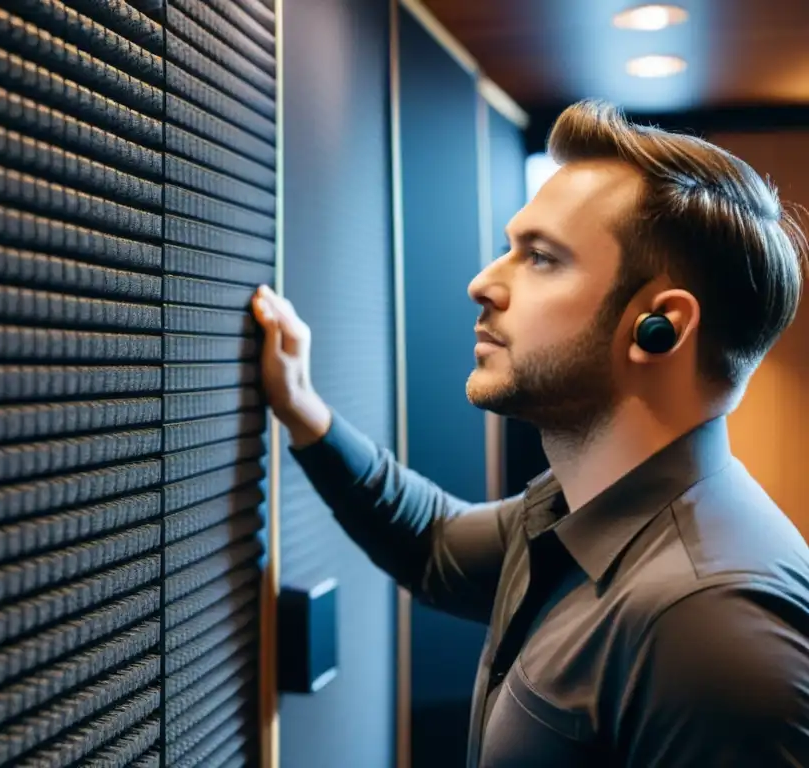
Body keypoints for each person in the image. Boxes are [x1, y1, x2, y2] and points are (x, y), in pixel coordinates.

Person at [252, 100, 809, 767]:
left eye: (541, 259)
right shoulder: (577, 511)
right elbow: (433, 545)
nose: (482, 283)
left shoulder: (711, 627)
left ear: (659, 327)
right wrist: (303, 408)